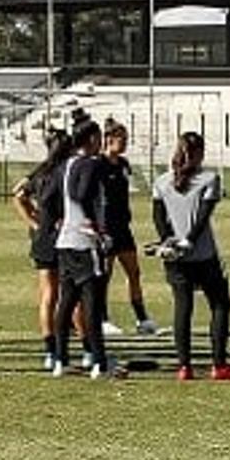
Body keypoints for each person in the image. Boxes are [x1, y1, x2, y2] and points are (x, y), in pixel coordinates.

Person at [152, 131, 230, 381]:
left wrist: (168, 241)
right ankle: (219, 364)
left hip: (175, 258)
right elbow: (203, 216)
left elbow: (159, 218)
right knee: (220, 304)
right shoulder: (210, 179)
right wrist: (189, 240)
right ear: (200, 152)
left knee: (183, 307)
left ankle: (184, 366)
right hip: (203, 255)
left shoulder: (162, 181)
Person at [52, 118, 123, 379]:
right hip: (84, 240)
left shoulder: (66, 164)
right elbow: (81, 195)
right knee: (92, 303)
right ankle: (99, 363)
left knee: (66, 302)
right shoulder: (91, 165)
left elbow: (56, 196)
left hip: (65, 240)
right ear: (91, 139)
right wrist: (96, 227)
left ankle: (60, 359)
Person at [12, 130, 73, 370]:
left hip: (42, 238)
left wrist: (34, 222)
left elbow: (18, 194)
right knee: (71, 294)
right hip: (63, 237)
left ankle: (50, 349)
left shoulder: (40, 172)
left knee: (48, 295)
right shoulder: (67, 172)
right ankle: (87, 348)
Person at [101, 120, 158, 337]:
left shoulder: (124, 164)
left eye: (126, 138)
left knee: (134, 272)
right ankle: (103, 318)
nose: (125, 143)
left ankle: (142, 317)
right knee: (104, 276)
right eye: (121, 139)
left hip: (123, 227)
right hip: (105, 227)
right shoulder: (99, 164)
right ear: (109, 139)